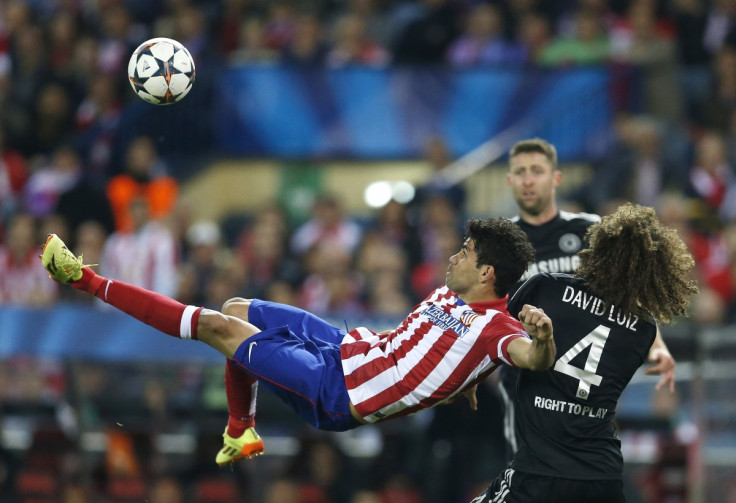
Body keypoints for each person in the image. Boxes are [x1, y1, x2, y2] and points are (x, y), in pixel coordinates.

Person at [40, 217, 556, 466]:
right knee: (239, 307)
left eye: (465, 253)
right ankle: (241, 429)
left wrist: (543, 340)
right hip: (347, 348)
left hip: (341, 395)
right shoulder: (453, 294)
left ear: (487, 271)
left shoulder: (501, 331)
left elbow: (527, 357)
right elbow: (451, 353)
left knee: (219, 329)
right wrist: (464, 384)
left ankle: (84, 281)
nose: (453, 257)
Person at [470, 203, 698, 503]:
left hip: (540, 469)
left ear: (598, 251)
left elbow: (484, 332)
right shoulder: (643, 331)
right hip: (602, 476)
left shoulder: (545, 288)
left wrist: (468, 378)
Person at [499, 138, 677, 458]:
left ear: (556, 178)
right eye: (520, 172)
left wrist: (658, 345)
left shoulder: (590, 230)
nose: (528, 180)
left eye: (536, 171)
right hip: (525, 376)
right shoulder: (498, 242)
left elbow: (630, 297)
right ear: (510, 180)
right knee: (531, 467)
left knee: (590, 464)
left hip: (587, 378)